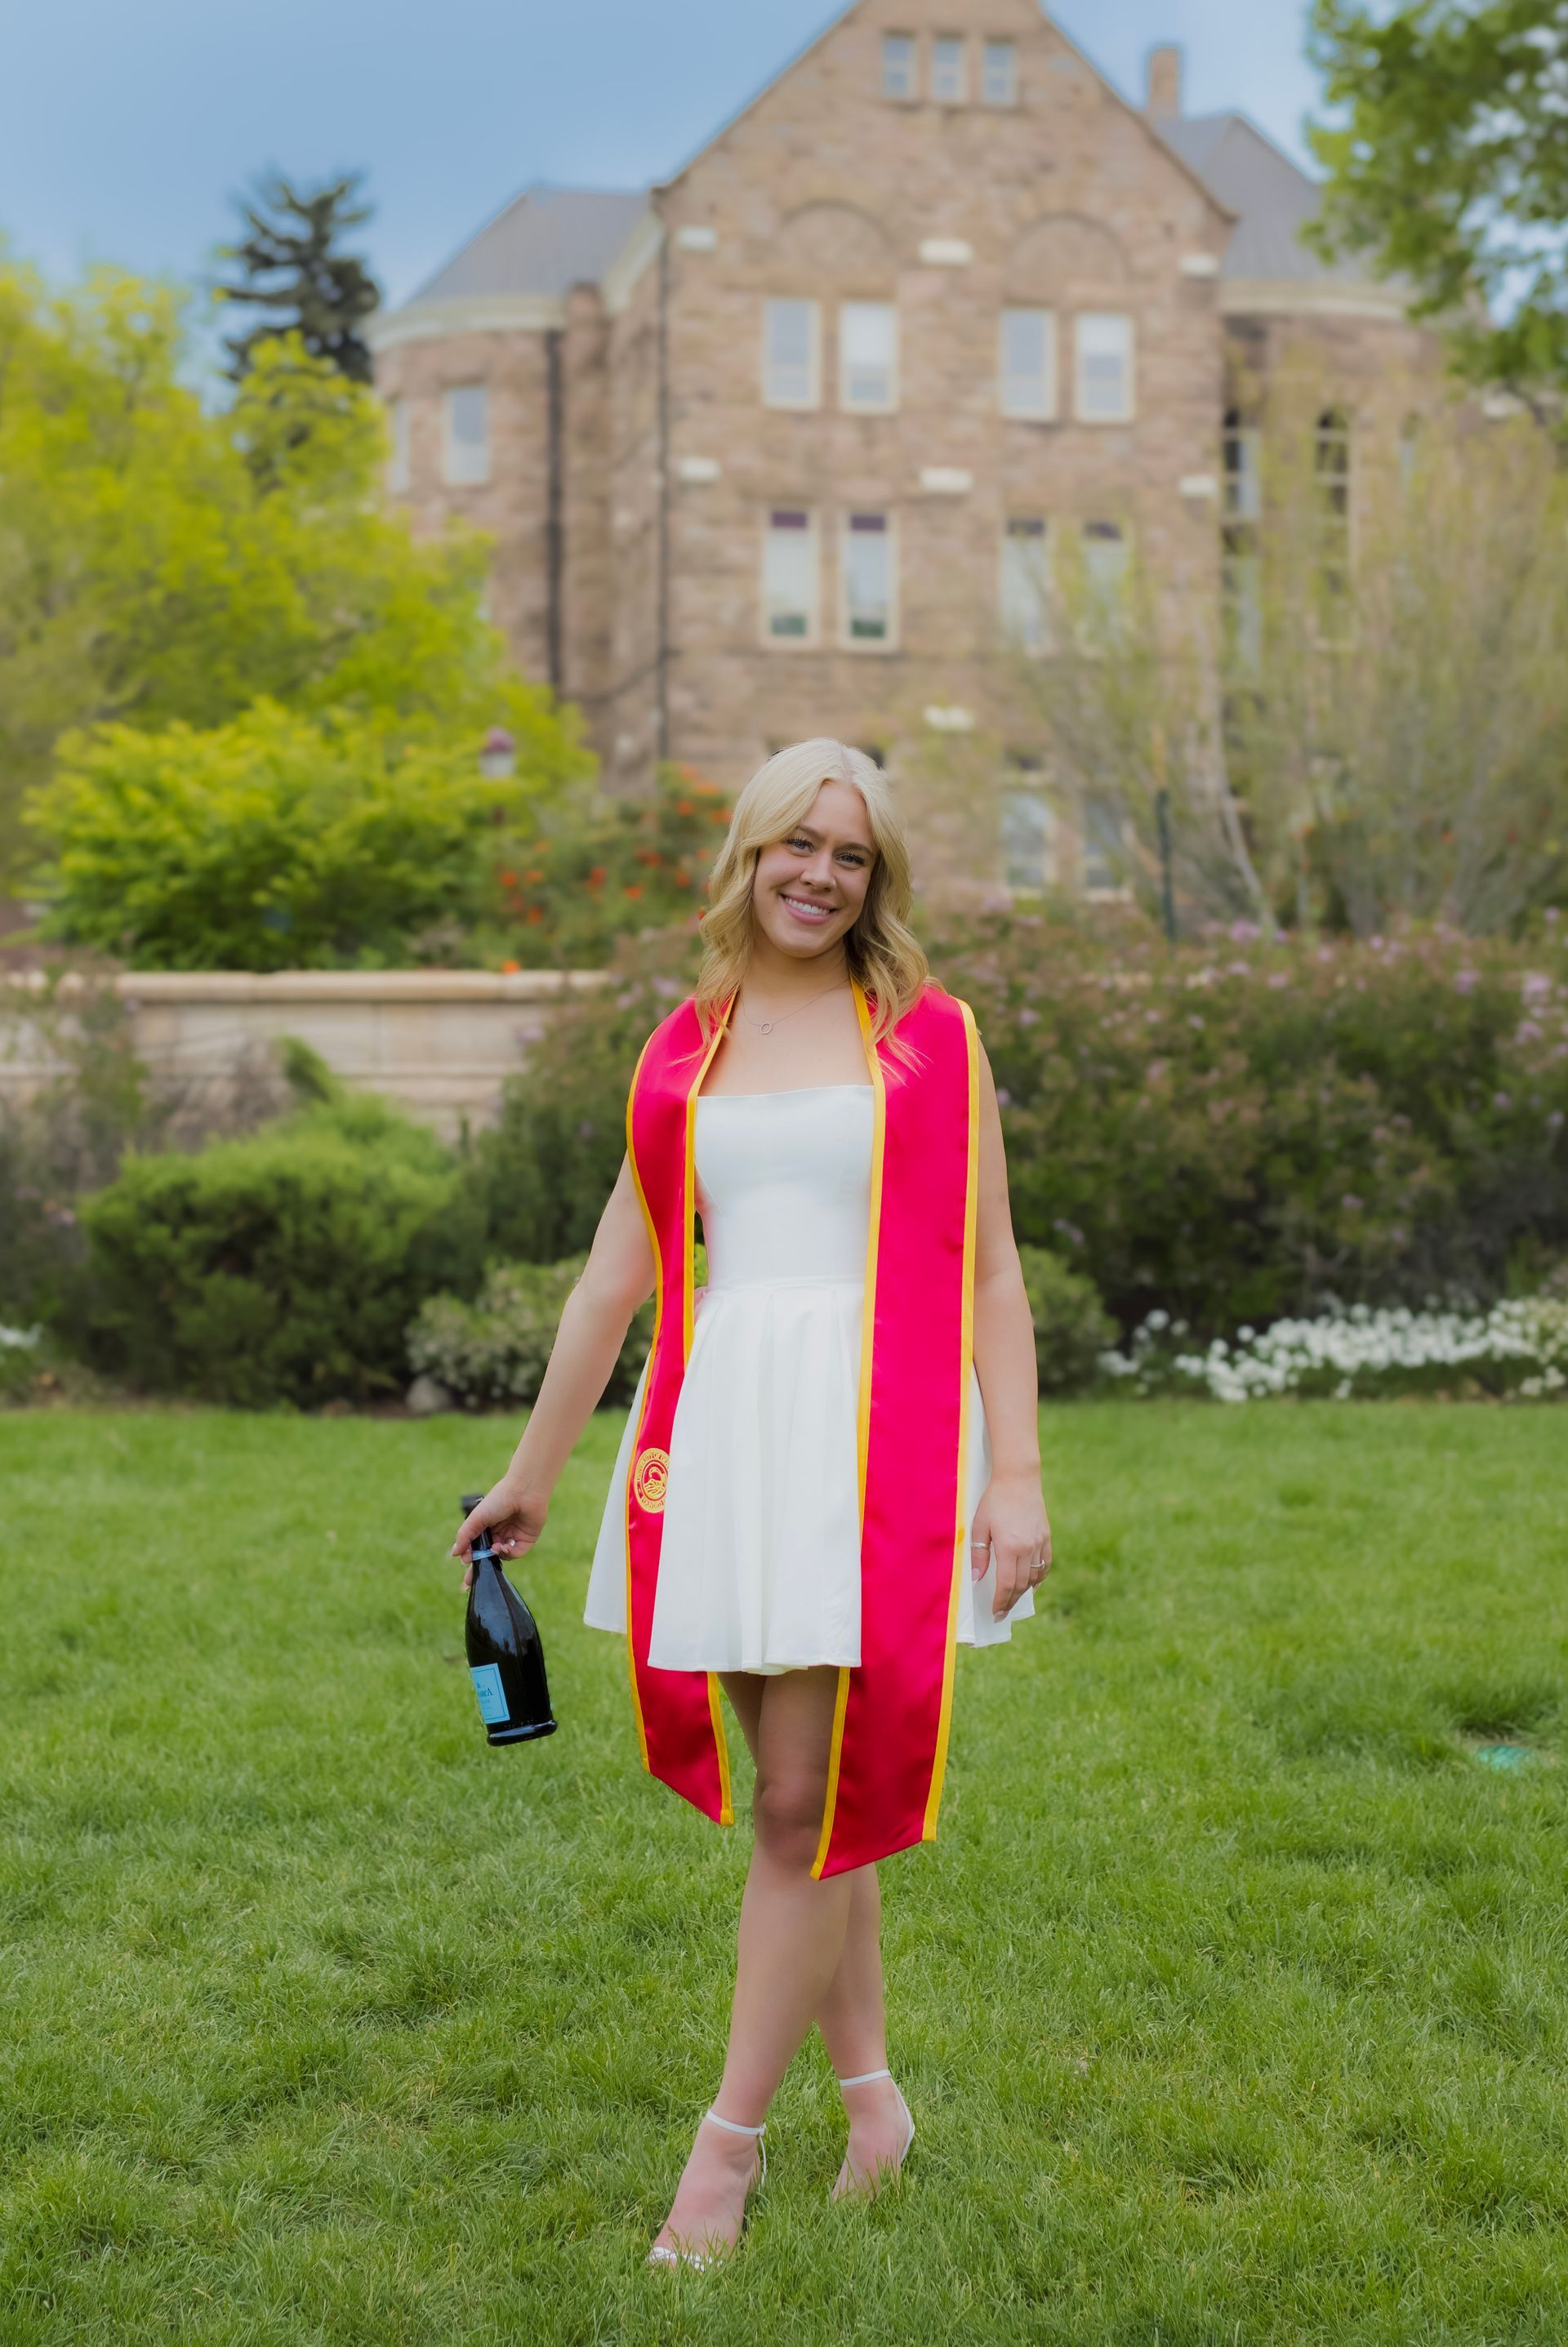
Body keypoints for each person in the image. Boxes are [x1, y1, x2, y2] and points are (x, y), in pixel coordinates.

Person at [452, 740, 1051, 2266]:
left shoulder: (927, 1036)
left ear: (877, 879)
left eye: (850, 855)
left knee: (799, 1799)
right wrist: (532, 1472)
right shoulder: (685, 1048)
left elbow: (988, 1265)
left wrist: (1021, 1474)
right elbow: (618, 1271)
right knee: (811, 1805)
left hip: (877, 1443)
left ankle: (720, 2159)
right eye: (797, 844)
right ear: (750, 854)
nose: (819, 875)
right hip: (722, 1439)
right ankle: (875, 2106)